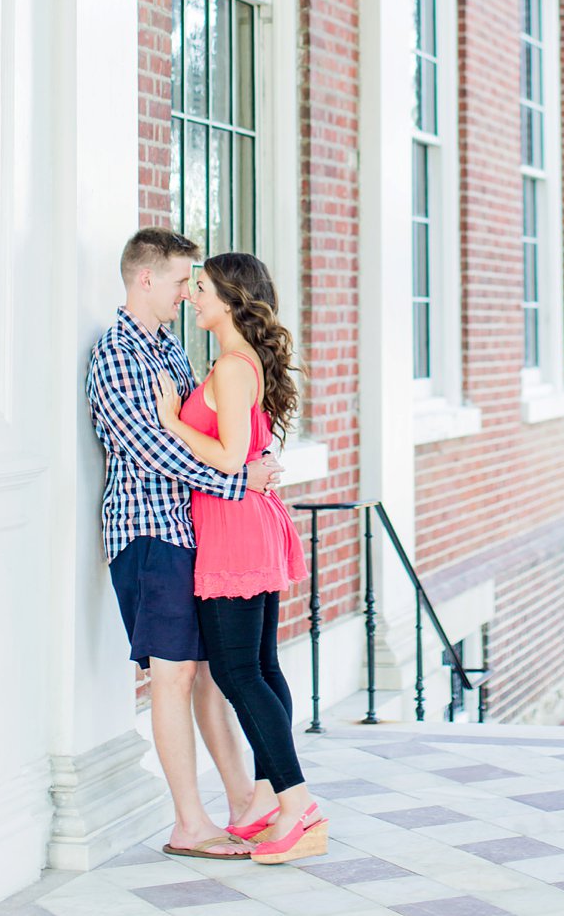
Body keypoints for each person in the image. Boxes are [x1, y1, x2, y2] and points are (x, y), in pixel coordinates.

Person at [88, 228, 281, 861]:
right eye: (179, 281)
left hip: (192, 531)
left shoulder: (169, 349)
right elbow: (152, 446)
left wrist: (249, 456)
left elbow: (206, 426)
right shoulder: (116, 351)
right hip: (149, 533)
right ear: (145, 278)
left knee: (206, 677)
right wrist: (238, 476)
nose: (187, 292)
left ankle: (244, 803)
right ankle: (189, 824)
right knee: (172, 677)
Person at [153, 252, 322, 865]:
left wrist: (172, 421)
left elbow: (227, 459)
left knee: (236, 671)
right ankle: (274, 796)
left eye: (202, 290)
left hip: (232, 527)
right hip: (247, 522)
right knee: (259, 665)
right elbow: (243, 454)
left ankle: (295, 801)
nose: (193, 298)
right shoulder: (240, 361)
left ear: (230, 298)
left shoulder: (230, 365)